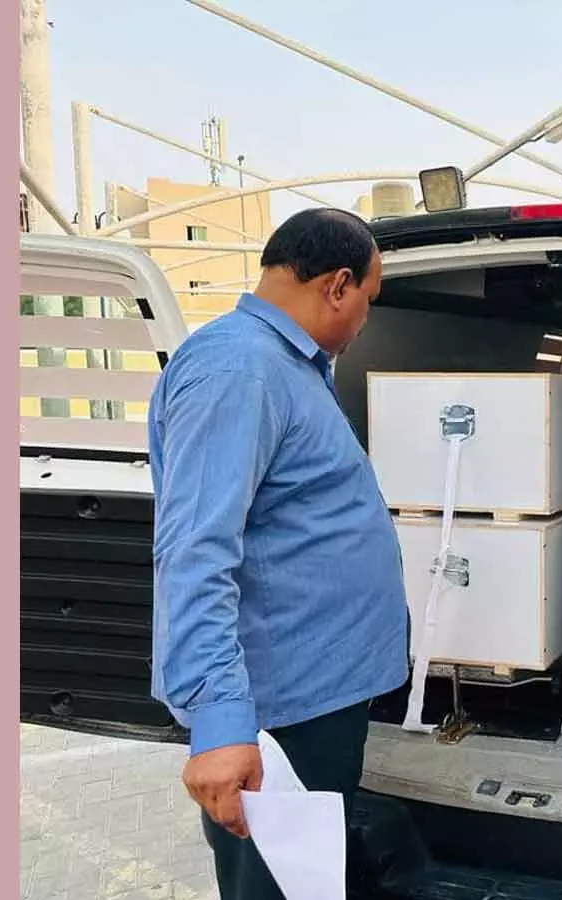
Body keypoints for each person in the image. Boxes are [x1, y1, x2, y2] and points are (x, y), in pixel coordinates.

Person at [147, 208, 409, 900]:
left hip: (314, 697)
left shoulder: (286, 366)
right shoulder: (240, 369)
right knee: (275, 887)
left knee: (307, 881)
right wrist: (220, 723)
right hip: (276, 716)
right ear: (338, 285)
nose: (365, 321)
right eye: (369, 300)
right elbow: (195, 550)